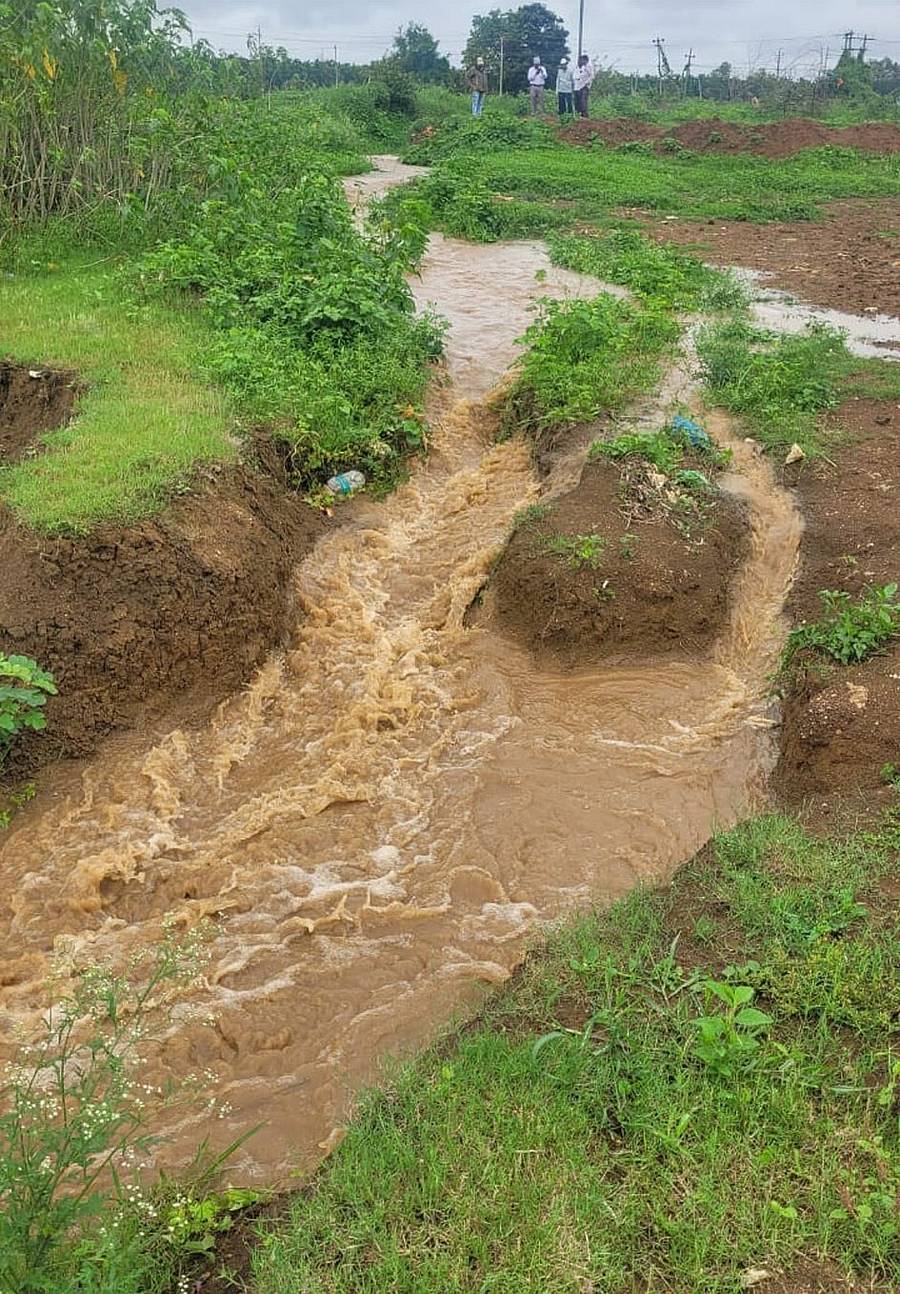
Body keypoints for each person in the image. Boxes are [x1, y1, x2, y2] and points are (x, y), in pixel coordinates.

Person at [574, 54, 594, 118]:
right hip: (580, 86)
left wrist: (586, 83)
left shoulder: (589, 66)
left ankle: (585, 115)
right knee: (579, 100)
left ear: (585, 60)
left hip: (585, 86)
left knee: (583, 100)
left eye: (582, 60)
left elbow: (592, 76)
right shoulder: (583, 67)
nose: (581, 61)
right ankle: (581, 114)